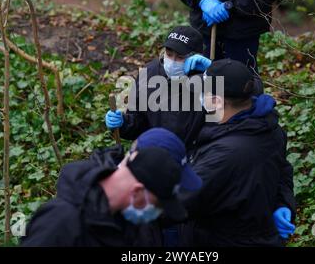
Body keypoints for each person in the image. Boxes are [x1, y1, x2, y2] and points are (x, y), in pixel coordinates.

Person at [180, 59, 296, 246]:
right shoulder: (268, 127)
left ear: (217, 101)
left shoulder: (224, 155)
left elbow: (181, 201)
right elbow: (282, 171)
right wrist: (284, 203)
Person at [21, 129, 201, 247]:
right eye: (156, 205)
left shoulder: (124, 223)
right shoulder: (61, 222)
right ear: (137, 191)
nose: (157, 213)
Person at [106, 25, 214, 154]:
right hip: (153, 155)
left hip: (192, 159)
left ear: (195, 58)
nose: (173, 62)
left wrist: (211, 73)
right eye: (169, 54)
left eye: (180, 57)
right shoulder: (149, 72)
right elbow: (139, 121)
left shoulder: (207, 80)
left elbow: (222, 122)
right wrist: (123, 123)